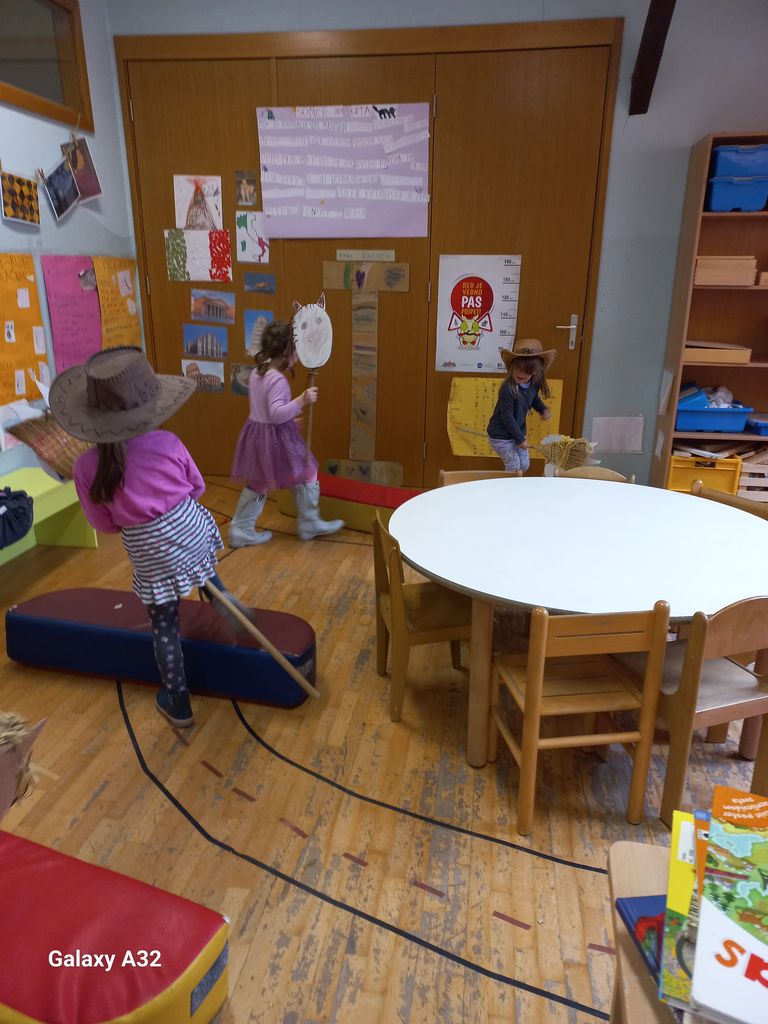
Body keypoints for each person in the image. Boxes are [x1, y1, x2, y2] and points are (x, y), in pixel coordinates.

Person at [49, 346, 246, 729]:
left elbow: (104, 525)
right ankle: (224, 601)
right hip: (191, 529)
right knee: (198, 561)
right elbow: (198, 487)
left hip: (149, 550)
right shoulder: (167, 442)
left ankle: (178, 701)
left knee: (165, 626)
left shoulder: (85, 468)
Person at [229, 320, 344, 547]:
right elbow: (276, 413)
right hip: (275, 439)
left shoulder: (258, 373)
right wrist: (302, 400)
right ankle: (309, 522)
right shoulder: (278, 380)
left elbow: (266, 410)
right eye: (295, 350)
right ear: (285, 352)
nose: (298, 355)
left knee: (259, 482)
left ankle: (240, 528)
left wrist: (289, 417)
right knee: (308, 470)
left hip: (258, 435)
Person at [486, 337, 555, 473]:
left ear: (534, 373)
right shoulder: (508, 388)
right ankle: (507, 486)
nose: (518, 379)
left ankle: (515, 483)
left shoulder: (533, 384)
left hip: (517, 433)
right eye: (516, 375)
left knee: (524, 465)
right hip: (501, 436)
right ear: (512, 367)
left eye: (523, 378)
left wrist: (542, 409)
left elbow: (533, 398)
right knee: (514, 467)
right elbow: (507, 416)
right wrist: (519, 439)